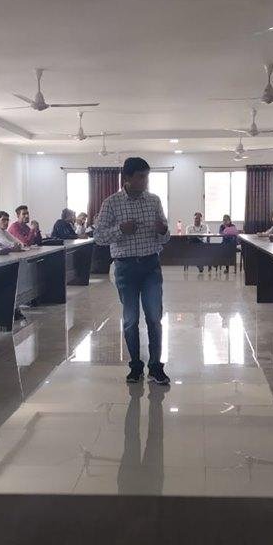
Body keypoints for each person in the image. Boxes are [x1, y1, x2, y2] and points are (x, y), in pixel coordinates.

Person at [94, 156, 171, 386]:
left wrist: (162, 230)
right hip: (125, 268)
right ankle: (135, 367)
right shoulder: (111, 203)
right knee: (130, 320)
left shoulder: (154, 201)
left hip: (151, 266)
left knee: (154, 318)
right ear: (126, 178)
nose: (145, 181)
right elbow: (99, 237)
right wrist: (121, 229)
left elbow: (165, 237)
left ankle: (155, 367)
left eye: (147, 177)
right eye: (140, 177)